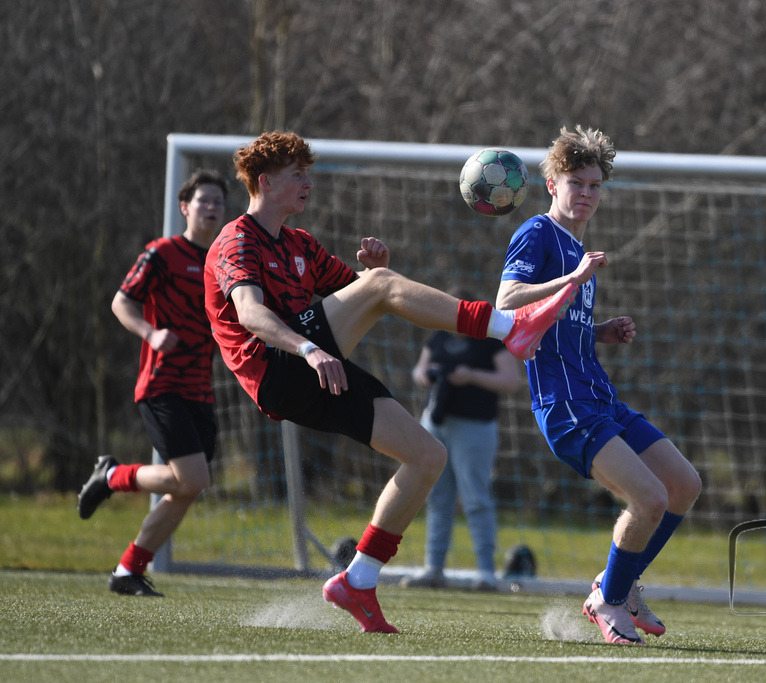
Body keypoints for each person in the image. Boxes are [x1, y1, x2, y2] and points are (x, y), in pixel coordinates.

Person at [203, 131, 577, 633]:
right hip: (281, 367)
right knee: (382, 287)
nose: (307, 183)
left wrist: (372, 272)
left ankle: (358, 579)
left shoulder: (298, 244)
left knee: (428, 456)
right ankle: (509, 327)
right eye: (298, 175)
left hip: (315, 368)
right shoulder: (236, 239)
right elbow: (250, 314)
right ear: (265, 182)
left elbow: (361, 292)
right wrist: (313, 345)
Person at [496, 125, 702, 645]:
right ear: (551, 184)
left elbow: (555, 324)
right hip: (566, 407)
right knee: (650, 497)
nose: (585, 193)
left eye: (594, 185)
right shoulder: (538, 235)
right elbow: (508, 302)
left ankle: (623, 584)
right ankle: (609, 598)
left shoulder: (578, 248)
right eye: (575, 183)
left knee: (684, 485)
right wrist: (572, 279)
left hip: (600, 398)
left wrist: (599, 331)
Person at [77, 169, 229, 597]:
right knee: (192, 479)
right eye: (204, 200)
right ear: (185, 207)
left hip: (201, 390)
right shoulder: (163, 253)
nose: (212, 207)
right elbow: (121, 301)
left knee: (185, 488)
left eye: (219, 201)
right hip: (163, 385)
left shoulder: (222, 262)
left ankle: (128, 571)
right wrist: (150, 333)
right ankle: (112, 477)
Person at [402, 290, 521, 591]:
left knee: (475, 498)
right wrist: (428, 375)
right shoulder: (440, 337)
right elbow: (418, 371)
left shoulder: (490, 340)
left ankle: (485, 574)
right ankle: (434, 570)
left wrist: (471, 376)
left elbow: (511, 380)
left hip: (475, 429)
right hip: (436, 423)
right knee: (437, 498)